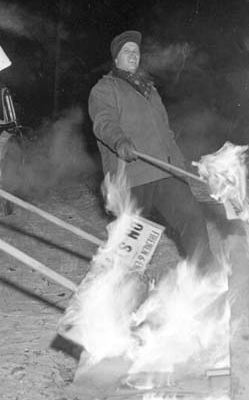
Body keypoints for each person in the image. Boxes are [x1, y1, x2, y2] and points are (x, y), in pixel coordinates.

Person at [88, 30, 216, 272]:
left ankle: (207, 279)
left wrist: (180, 168)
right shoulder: (106, 89)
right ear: (116, 59)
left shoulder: (149, 90)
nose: (133, 55)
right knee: (131, 247)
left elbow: (165, 134)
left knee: (192, 220)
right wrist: (119, 141)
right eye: (127, 51)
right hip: (132, 177)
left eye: (136, 51)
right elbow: (103, 122)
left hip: (165, 172)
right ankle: (118, 297)